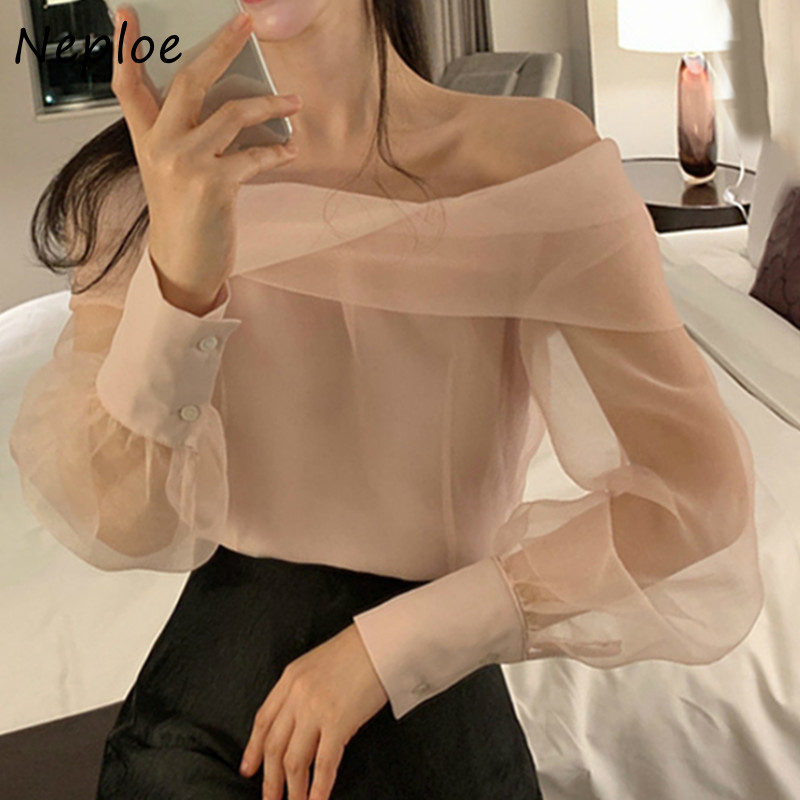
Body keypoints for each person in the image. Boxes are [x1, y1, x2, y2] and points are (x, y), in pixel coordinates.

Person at [8, 1, 765, 799]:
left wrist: (391, 648)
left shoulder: (533, 159)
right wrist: (180, 279)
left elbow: (698, 496)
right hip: (193, 734)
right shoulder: (142, 185)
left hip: (433, 728)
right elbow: (121, 522)